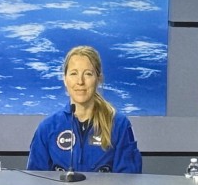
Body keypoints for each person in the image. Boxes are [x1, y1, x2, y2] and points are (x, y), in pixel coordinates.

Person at [26, 45, 142, 174]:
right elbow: (35, 180)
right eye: (73, 73)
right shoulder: (47, 128)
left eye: (88, 74)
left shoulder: (119, 125)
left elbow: (129, 180)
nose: (80, 81)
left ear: (98, 79)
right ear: (65, 79)